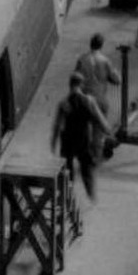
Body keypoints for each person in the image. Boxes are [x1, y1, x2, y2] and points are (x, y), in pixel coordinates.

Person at [52, 72, 112, 201]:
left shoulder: (63, 103)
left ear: (69, 85)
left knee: (67, 171)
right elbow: (99, 119)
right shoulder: (89, 100)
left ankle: (67, 199)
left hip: (67, 142)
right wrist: (108, 131)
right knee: (87, 170)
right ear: (82, 85)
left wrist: (53, 143)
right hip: (83, 141)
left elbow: (57, 125)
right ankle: (91, 197)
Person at [75, 33, 121, 159]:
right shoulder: (105, 61)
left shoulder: (82, 59)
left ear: (90, 44)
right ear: (101, 45)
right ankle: (95, 157)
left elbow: (76, 80)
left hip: (85, 100)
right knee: (98, 131)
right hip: (100, 101)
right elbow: (116, 80)